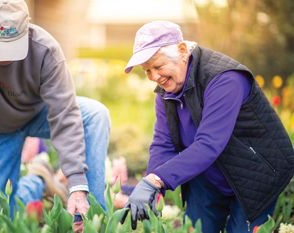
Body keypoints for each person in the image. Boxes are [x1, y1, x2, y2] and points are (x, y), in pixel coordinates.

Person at [0, 0, 110, 231]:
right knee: (0, 222)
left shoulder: (45, 48)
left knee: (95, 114)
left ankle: (90, 216)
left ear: (28, 25)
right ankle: (38, 181)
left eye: (14, 44)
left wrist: (77, 186)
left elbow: (64, 113)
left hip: (37, 112)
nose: (7, 57)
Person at [120, 20, 294, 232]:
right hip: (207, 173)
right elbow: (163, 143)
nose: (154, 77)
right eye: (147, 71)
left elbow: (209, 145)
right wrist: (153, 190)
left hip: (254, 173)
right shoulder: (167, 89)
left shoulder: (225, 79)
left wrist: (157, 180)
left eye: (158, 66)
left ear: (182, 51)